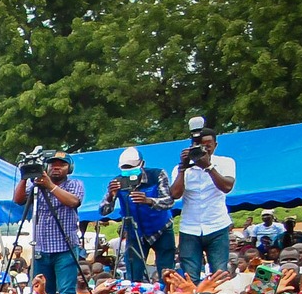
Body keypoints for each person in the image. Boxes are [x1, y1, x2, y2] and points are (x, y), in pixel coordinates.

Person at [12, 148, 84, 294]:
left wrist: (50, 185)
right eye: (53, 165)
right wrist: (25, 177)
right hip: (41, 249)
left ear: (69, 168)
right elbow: (18, 200)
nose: (56, 168)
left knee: (67, 292)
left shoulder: (75, 184)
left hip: (65, 248)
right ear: (46, 166)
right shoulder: (36, 185)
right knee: (43, 292)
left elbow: (73, 202)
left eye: (62, 165)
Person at [98, 146, 176, 284]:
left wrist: (148, 200)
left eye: (132, 168)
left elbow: (169, 201)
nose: (129, 173)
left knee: (167, 273)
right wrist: (111, 195)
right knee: (133, 275)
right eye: (125, 169)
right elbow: (103, 211)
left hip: (161, 229)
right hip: (135, 233)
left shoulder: (157, 175)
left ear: (142, 164)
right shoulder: (117, 182)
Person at [171, 121, 237, 277]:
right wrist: (182, 168)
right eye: (201, 144)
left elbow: (227, 187)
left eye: (209, 144)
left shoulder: (226, 162)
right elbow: (174, 194)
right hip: (190, 228)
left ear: (216, 145)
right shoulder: (182, 168)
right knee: (190, 275)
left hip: (217, 226)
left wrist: (208, 167)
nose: (205, 148)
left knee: (219, 273)